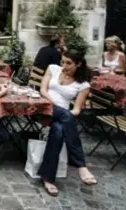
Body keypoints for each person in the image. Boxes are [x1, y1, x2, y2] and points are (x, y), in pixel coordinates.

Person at [38, 50, 97, 196]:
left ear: (79, 64)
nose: (64, 66)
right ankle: (80, 165)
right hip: (44, 107)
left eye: (69, 63)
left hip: (61, 116)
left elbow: (76, 110)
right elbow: (42, 90)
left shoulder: (83, 85)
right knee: (65, 117)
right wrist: (52, 104)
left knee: (58, 131)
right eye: (63, 62)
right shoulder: (53, 68)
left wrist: (65, 116)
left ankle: (48, 179)